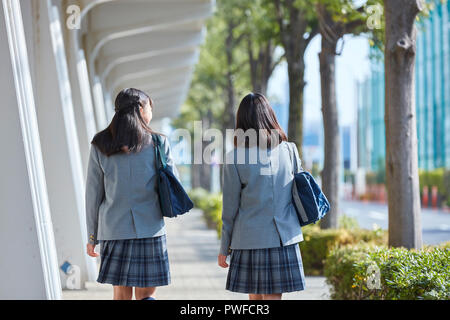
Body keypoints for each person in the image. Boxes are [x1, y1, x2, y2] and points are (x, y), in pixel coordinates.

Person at [85, 88, 178, 300]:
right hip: (150, 228)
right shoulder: (158, 143)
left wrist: (92, 235)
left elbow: (93, 194)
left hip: (113, 229)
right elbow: (174, 181)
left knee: (120, 293)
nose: (151, 113)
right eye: (150, 108)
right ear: (140, 110)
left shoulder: (100, 144)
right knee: (147, 293)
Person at [218, 92, 306, 300]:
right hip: (283, 236)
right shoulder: (289, 150)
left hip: (248, 238)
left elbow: (229, 208)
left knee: (255, 299)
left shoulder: (235, 157)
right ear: (270, 117)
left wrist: (224, 248)